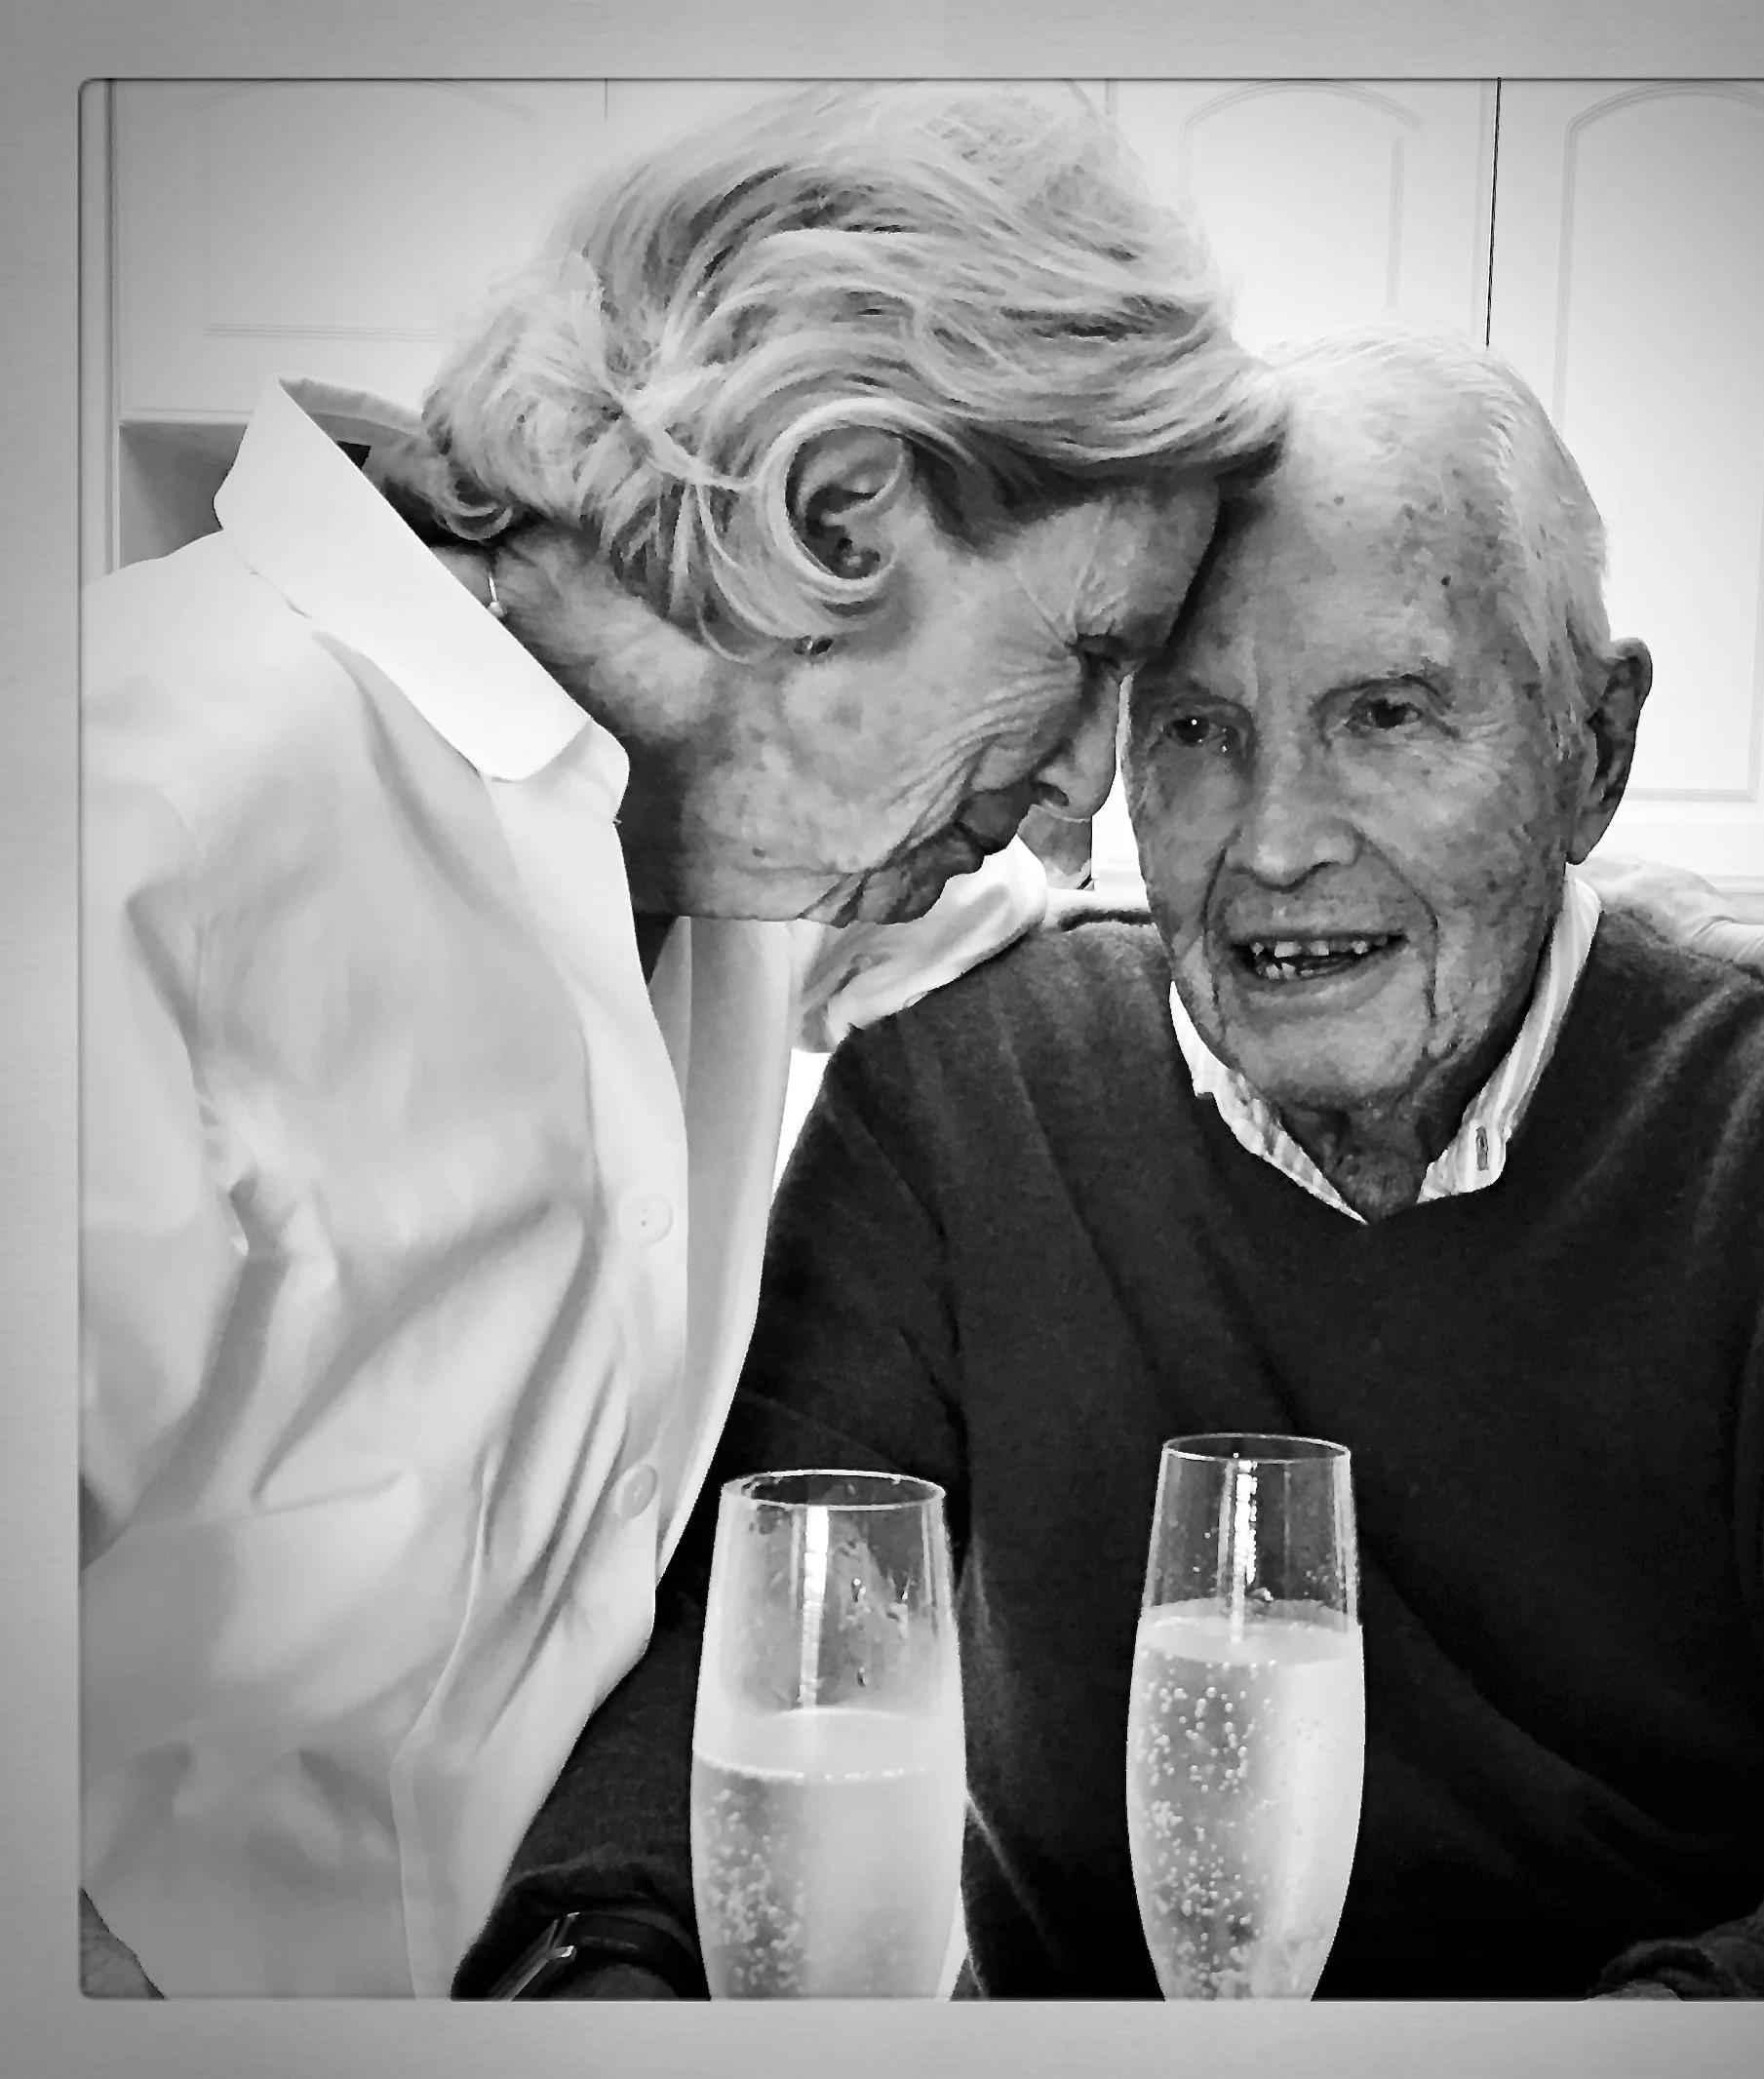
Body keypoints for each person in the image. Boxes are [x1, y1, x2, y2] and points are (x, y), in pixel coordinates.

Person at [459, 324, 1764, 2001]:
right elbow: (745, 1641)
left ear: (1594, 752)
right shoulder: (967, 1086)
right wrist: (598, 1961)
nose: (1275, 842)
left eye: (1386, 715)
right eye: (1195, 730)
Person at [79, 81, 1289, 1997]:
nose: (1082, 799)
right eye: (1090, 658)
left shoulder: (734, 824)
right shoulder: (119, 837)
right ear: (834, 511)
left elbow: (1109, 933)